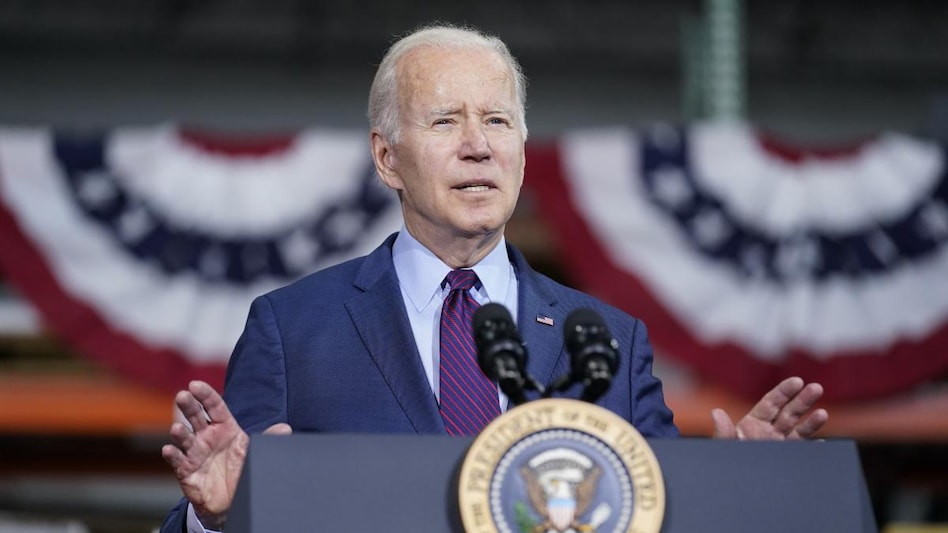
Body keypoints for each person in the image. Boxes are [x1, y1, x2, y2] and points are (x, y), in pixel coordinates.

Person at [159, 23, 828, 533]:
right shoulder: (293, 328)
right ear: (387, 157)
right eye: (446, 120)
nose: (478, 144)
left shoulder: (609, 343)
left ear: (522, 152)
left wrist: (735, 489)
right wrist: (214, 519)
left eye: (498, 121)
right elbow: (229, 501)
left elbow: (653, 516)